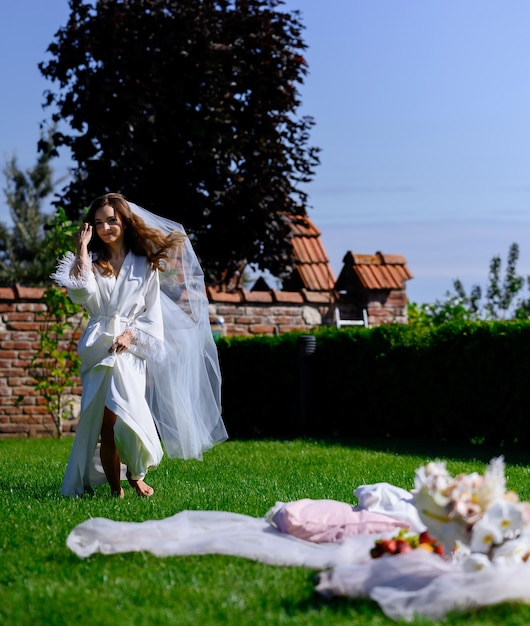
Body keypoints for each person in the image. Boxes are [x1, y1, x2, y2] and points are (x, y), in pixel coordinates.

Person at [52, 193, 227, 497]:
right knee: (105, 424)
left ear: (123, 221)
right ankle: (116, 489)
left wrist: (131, 335)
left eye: (111, 220)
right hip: (99, 349)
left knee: (128, 418)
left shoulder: (144, 265)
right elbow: (82, 295)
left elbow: (152, 315)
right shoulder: (92, 263)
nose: (105, 227)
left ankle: (136, 473)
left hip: (130, 351)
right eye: (98, 223)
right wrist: (81, 248)